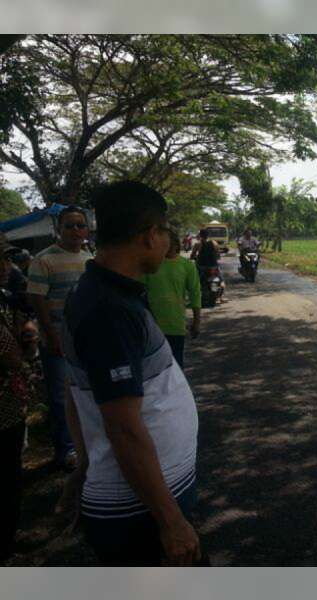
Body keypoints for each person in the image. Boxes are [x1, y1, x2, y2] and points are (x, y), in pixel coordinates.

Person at [62, 180, 203, 566]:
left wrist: (87, 462)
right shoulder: (109, 310)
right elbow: (123, 427)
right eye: (164, 233)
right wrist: (171, 521)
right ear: (148, 236)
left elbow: (75, 388)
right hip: (137, 511)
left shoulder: (105, 294)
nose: (166, 243)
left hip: (143, 498)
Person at [26, 205, 92, 471]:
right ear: (59, 229)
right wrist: (51, 335)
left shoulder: (89, 258)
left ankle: (86, 444)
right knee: (60, 396)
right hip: (57, 339)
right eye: (70, 225)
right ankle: (65, 451)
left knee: (86, 392)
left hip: (85, 339)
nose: (76, 230)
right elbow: (36, 298)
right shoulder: (44, 259)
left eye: (80, 225)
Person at [0, 234, 38, 563]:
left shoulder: (7, 297)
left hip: (10, 406)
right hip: (4, 407)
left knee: (11, 472)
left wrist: (27, 326)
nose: (7, 267)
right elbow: (11, 355)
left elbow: (23, 329)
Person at [142, 230, 201, 369]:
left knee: (176, 367)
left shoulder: (186, 266)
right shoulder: (151, 265)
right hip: (152, 327)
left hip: (176, 326)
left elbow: (195, 294)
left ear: (174, 245)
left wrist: (197, 321)